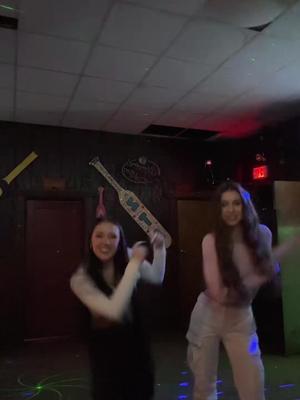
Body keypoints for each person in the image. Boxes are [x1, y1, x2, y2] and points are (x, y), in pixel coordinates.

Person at [186, 180, 299, 400]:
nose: (230, 210)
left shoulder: (262, 234)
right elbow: (220, 294)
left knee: (253, 384)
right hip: (208, 315)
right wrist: (275, 259)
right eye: (225, 204)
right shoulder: (211, 241)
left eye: (236, 203)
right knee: (204, 387)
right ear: (218, 210)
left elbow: (269, 271)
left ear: (246, 206)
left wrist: (273, 261)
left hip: (241, 317)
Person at [70, 217, 166, 400]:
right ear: (90, 241)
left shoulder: (127, 256)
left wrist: (160, 249)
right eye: (99, 236)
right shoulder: (80, 279)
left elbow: (156, 276)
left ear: (120, 240)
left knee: (142, 392)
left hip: (137, 345)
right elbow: (113, 310)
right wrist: (134, 265)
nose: (105, 242)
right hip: (106, 353)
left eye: (112, 237)